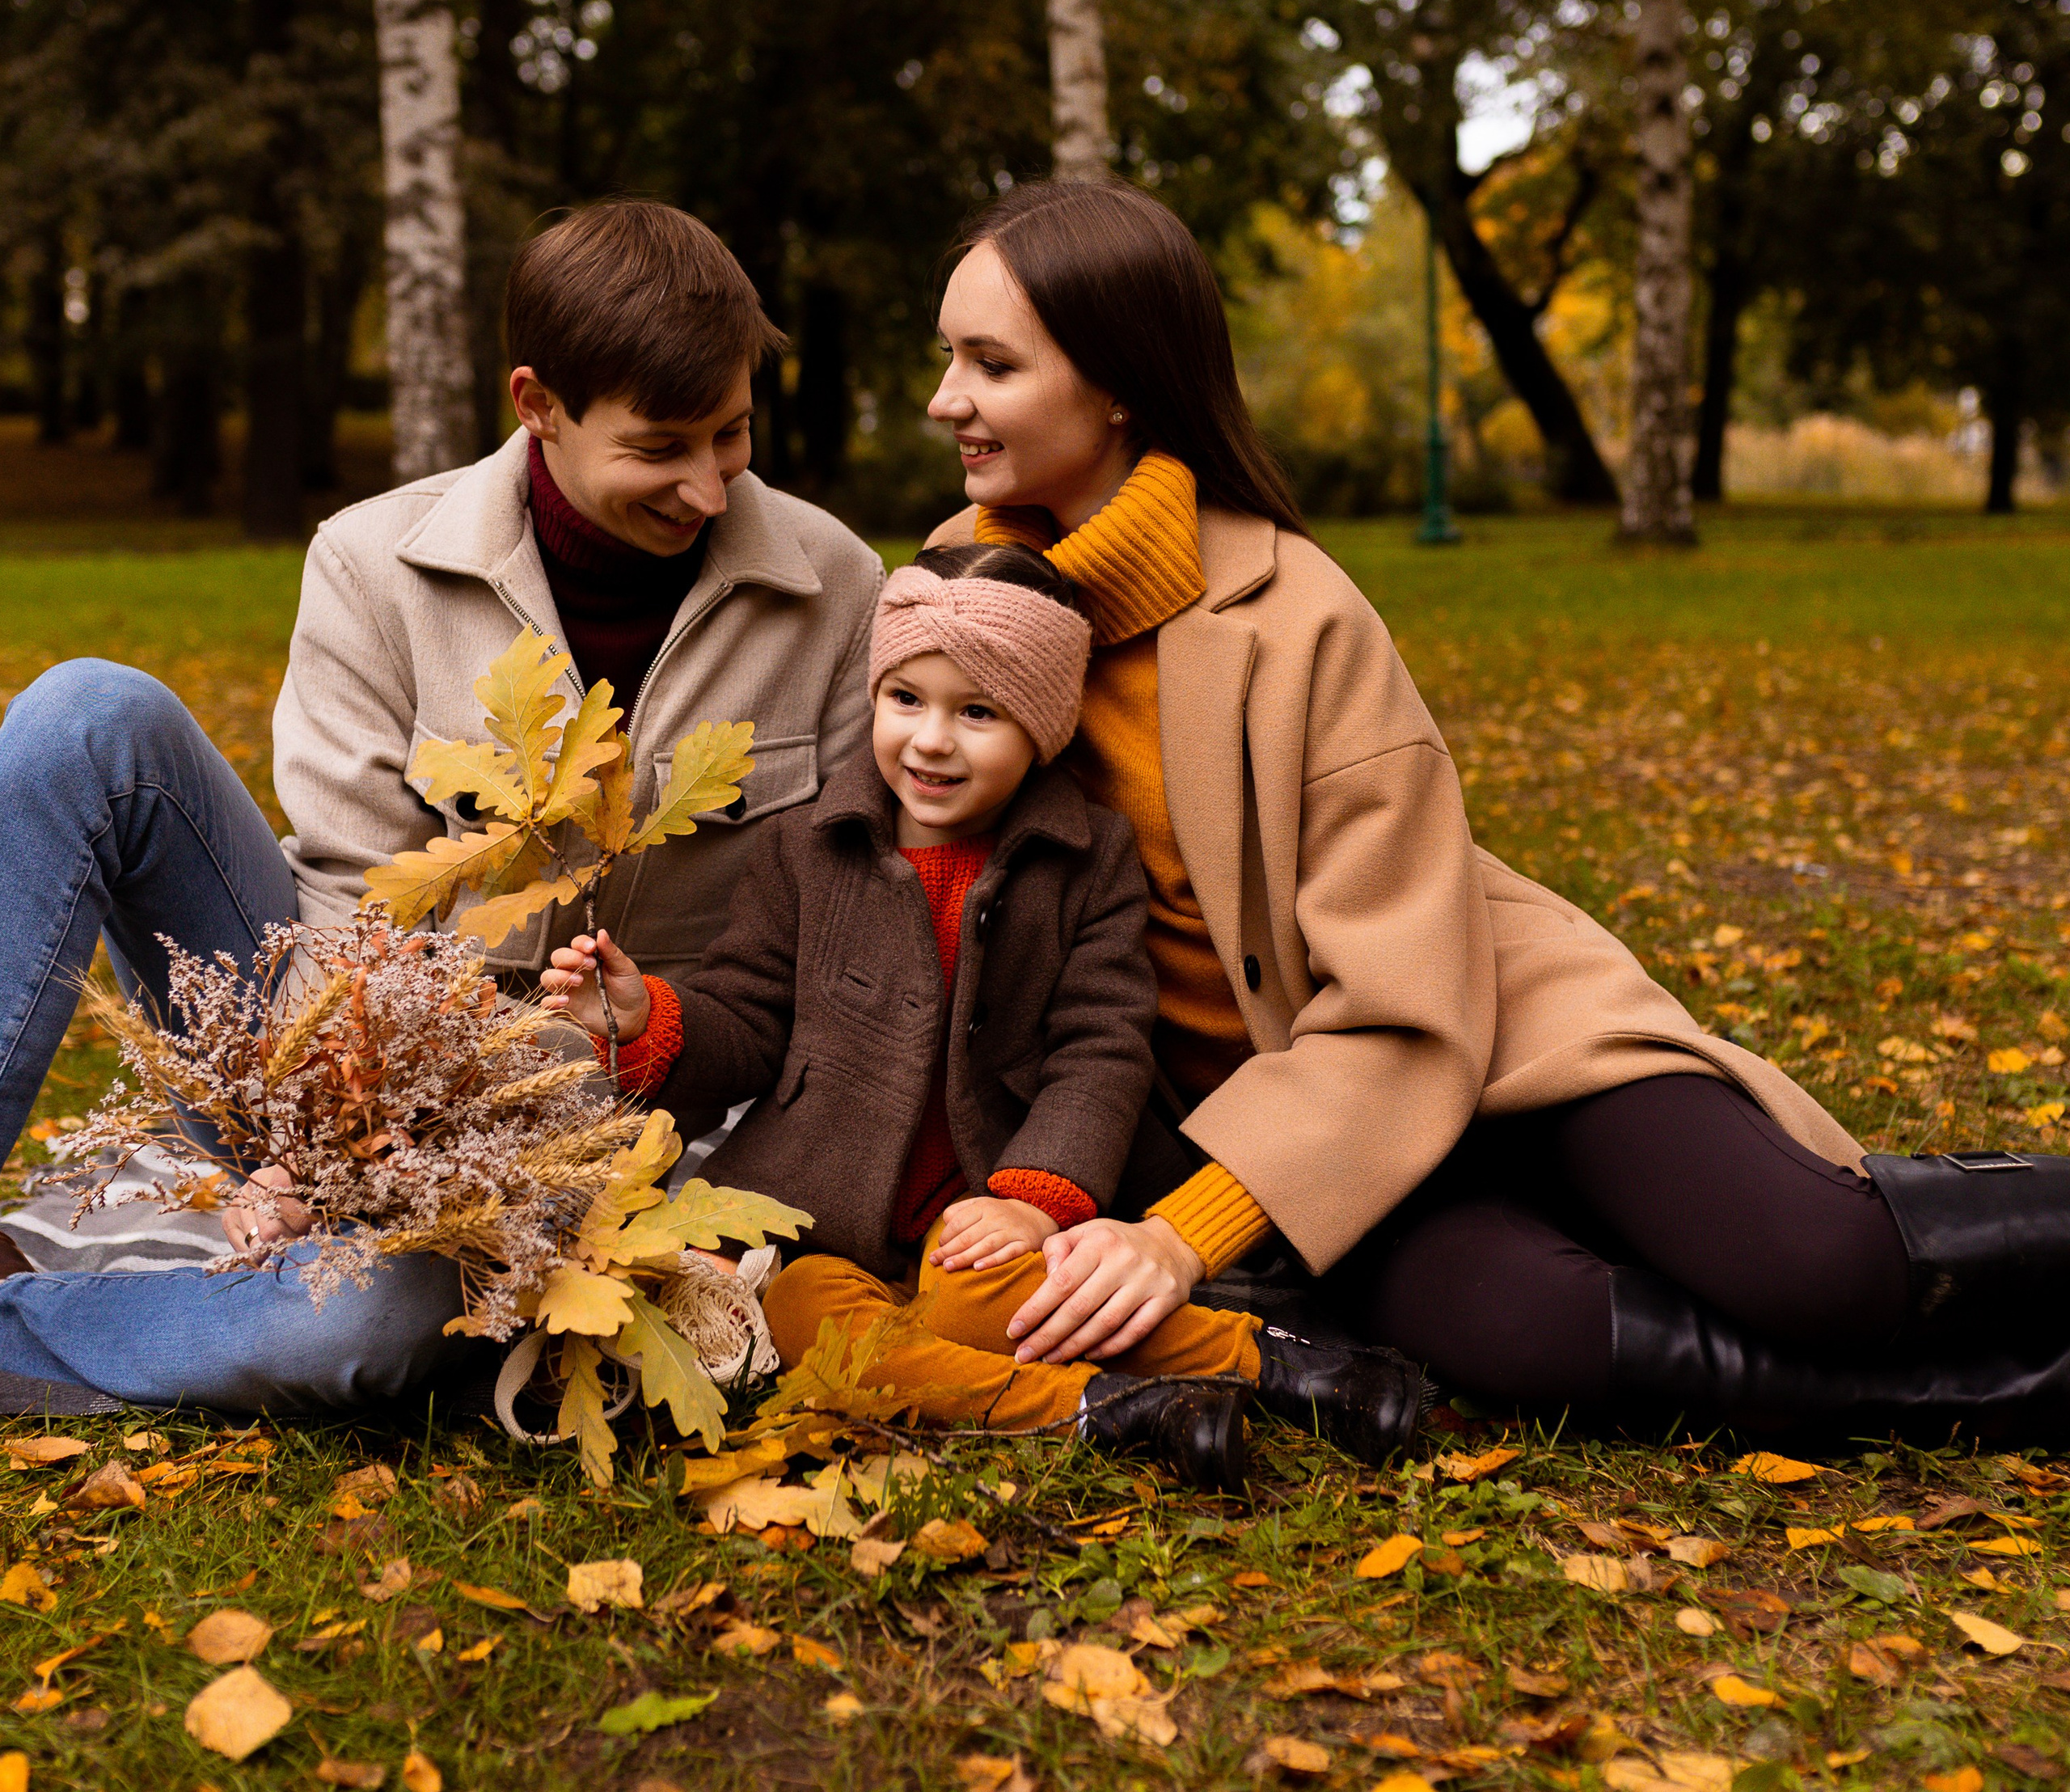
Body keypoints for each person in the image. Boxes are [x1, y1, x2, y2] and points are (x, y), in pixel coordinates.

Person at [906, 175, 2070, 1444]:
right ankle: (2016, 1395)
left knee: (1814, 1268)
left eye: (990, 363)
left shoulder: (1295, 618)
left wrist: (1186, 1238)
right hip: (1320, 1144)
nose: (944, 399)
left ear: (1120, 379)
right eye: (947, 357)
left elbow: (1406, 995)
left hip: (1498, 1032)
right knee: (1528, 1340)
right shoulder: (951, 603)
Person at [0, 201, 884, 1415]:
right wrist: (334, 1144)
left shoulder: (836, 589)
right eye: (660, 448)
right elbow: (346, 909)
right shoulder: (372, 563)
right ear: (537, 405)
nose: (708, 490)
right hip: (333, 1065)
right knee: (86, 718)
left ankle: (42, 1329)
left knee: (369, 1321)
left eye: (731, 435)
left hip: (600, 1134)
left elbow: (829, 954)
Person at [543, 546, 1428, 1490]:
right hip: (831, 1211)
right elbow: (750, 1019)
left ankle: (1277, 1362)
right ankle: (1113, 1413)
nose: (931, 740)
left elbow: (1100, 1045)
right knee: (804, 1311)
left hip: (984, 1203)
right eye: (906, 699)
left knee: (972, 1301)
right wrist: (648, 1021)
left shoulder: (1083, 857)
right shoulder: (807, 847)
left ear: (1042, 728)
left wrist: (1034, 1198)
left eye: (979, 713)